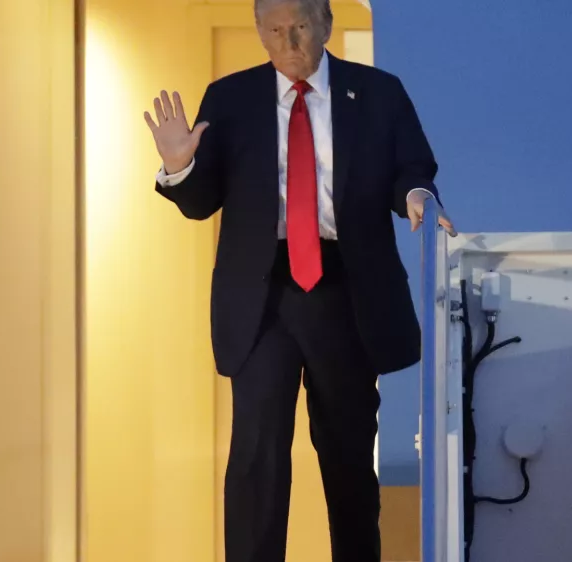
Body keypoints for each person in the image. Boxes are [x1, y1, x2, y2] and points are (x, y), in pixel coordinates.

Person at [144, 0, 456, 560]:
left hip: (346, 289)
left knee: (349, 454)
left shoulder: (378, 92)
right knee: (257, 455)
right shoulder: (229, 98)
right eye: (275, 30)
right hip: (262, 296)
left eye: (301, 27)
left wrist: (416, 198)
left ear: (326, 24)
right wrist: (178, 166)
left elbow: (412, 168)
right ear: (259, 32)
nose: (289, 42)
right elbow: (200, 202)